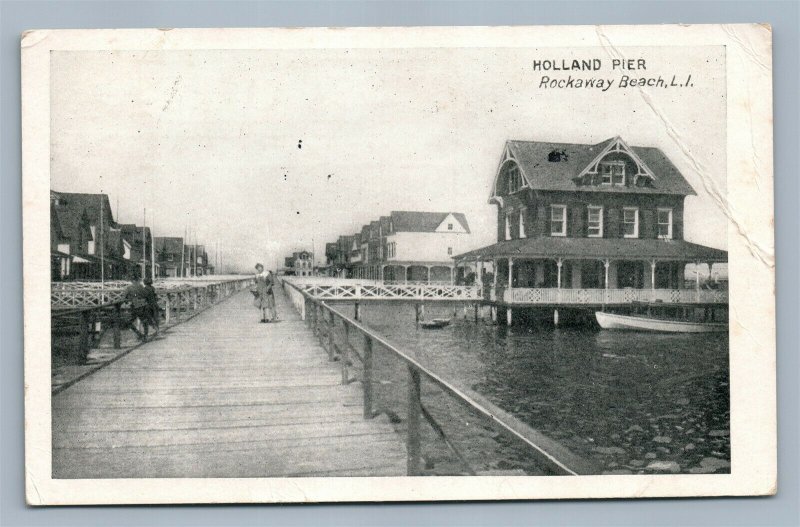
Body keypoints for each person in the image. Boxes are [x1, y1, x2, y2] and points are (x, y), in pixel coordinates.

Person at [123, 273, 150, 341]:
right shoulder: (141, 287)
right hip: (143, 305)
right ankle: (145, 336)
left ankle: (139, 334)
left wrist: (127, 301)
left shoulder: (129, 288)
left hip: (135, 306)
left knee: (129, 322)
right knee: (144, 321)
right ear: (138, 280)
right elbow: (146, 295)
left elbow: (123, 298)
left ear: (131, 281)